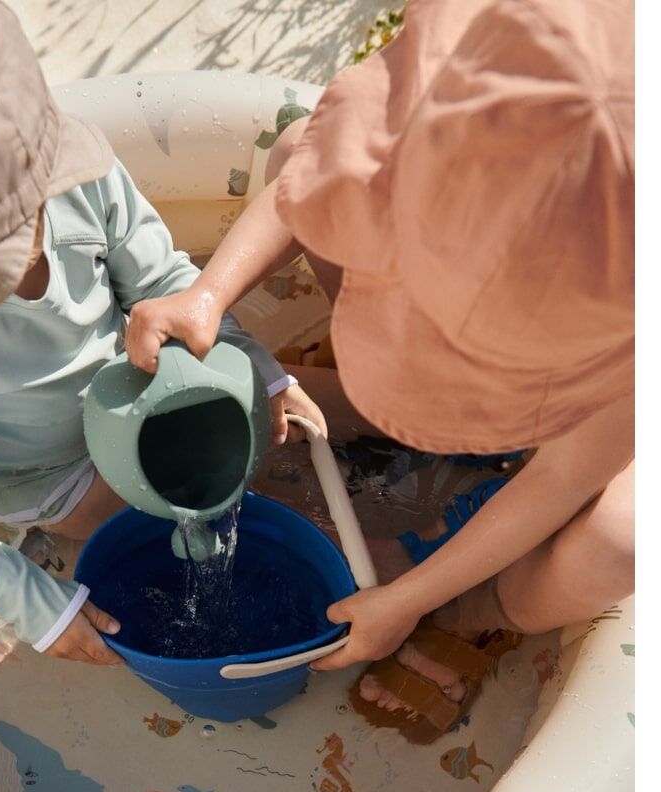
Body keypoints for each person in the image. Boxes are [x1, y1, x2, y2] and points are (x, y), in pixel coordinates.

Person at [125, 0, 633, 736]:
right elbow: (306, 177)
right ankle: (391, 413)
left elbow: (564, 477)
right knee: (295, 148)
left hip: (609, 422)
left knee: (625, 537)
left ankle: (475, 609)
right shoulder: (440, 116)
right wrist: (208, 295)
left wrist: (411, 599)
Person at [0, 0, 325, 667]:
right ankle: (359, 568)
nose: (14, 254)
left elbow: (164, 283)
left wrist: (255, 365)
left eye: (18, 220)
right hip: (47, 475)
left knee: (288, 422)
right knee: (216, 527)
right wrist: (34, 601)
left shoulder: (79, 180)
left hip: (136, 385)